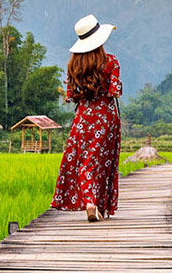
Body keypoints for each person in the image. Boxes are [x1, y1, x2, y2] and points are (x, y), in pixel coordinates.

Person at [51, 14, 122, 221]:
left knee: (85, 161)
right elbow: (114, 90)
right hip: (106, 118)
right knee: (103, 161)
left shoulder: (74, 65)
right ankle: (96, 203)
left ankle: (90, 202)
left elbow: (70, 96)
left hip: (83, 118)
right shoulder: (111, 62)